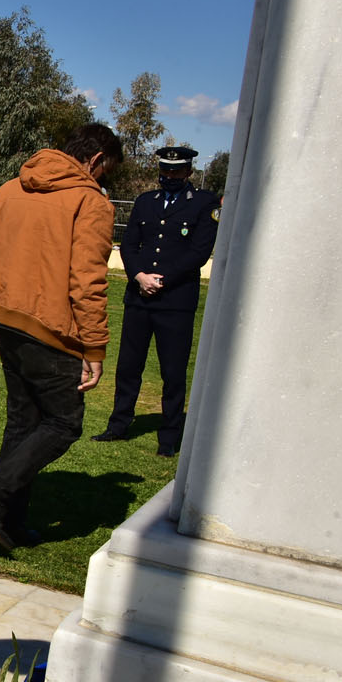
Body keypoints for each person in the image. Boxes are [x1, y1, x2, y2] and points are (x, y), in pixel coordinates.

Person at [0, 124, 124, 553]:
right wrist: (94, 347)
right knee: (64, 422)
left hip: (8, 321)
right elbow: (87, 282)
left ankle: (7, 520)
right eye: (106, 171)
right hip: (51, 330)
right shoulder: (91, 203)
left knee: (24, 421)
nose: (103, 179)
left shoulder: (10, 189)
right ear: (95, 160)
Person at [92, 145, 220, 456]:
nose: (170, 176)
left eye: (176, 171)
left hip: (175, 301)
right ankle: (118, 424)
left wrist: (162, 280)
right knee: (128, 366)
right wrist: (139, 276)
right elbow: (130, 245)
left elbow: (199, 252)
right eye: (165, 171)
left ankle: (169, 437)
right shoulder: (145, 202)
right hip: (139, 298)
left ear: (188, 172)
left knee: (172, 372)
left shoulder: (204, 203)